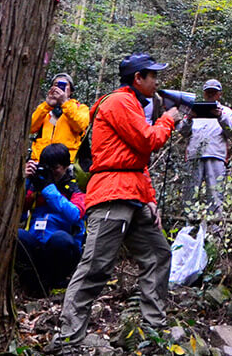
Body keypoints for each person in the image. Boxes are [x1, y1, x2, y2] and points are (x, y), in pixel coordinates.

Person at [55, 53, 182, 347]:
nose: (157, 83)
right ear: (138, 78)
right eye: (153, 76)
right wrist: (167, 120)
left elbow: (138, 158)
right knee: (96, 266)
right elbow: (148, 141)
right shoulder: (119, 102)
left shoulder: (132, 104)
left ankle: (153, 331)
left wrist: (150, 198)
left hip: (133, 193)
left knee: (158, 255)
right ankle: (68, 337)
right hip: (112, 193)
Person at [17, 142, 86, 294]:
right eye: (48, 168)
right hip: (38, 248)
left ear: (66, 166)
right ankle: (33, 285)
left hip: (62, 252)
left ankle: (57, 284)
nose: (51, 173)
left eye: (55, 168)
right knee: (17, 236)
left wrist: (49, 189)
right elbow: (18, 213)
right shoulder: (36, 187)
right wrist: (26, 180)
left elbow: (75, 215)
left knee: (60, 239)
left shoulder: (74, 190)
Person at [180, 78, 232, 214]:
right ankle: (189, 227)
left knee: (215, 195)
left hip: (216, 156)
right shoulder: (193, 109)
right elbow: (183, 131)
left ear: (220, 94)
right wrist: (189, 118)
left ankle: (215, 230)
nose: (211, 94)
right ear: (204, 93)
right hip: (194, 156)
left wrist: (220, 116)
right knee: (190, 193)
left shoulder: (226, 112)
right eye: (208, 92)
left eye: (214, 92)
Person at [30, 73, 90, 164]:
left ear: (71, 91)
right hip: (40, 161)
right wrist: (47, 105)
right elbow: (31, 128)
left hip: (66, 164)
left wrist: (64, 103)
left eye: (64, 85)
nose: (59, 88)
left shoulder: (80, 108)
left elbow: (80, 126)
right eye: (56, 85)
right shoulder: (44, 109)